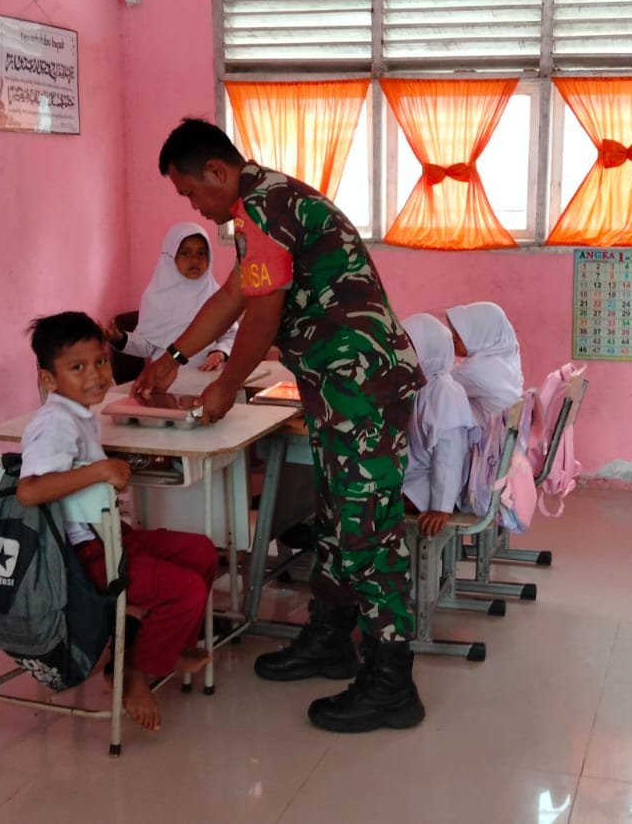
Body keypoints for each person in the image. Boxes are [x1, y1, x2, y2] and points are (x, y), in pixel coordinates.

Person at [135, 118, 426, 733]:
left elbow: (264, 314)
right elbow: (233, 297)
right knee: (336, 518)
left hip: (360, 388)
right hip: (338, 387)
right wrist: (173, 358)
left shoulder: (266, 207)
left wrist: (225, 385)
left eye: (191, 192)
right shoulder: (261, 206)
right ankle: (330, 638)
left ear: (217, 172)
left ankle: (392, 680)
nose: (194, 208)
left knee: (368, 530)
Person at [16, 312, 216, 731]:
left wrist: (108, 464)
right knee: (186, 591)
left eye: (100, 362)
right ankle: (134, 673)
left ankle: (167, 646)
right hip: (82, 555)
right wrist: (100, 471)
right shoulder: (53, 423)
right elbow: (30, 491)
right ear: (48, 379)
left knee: (201, 551)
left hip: (110, 535)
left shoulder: (79, 412)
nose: (95, 375)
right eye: (77, 367)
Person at [106, 221, 236, 372]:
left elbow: (231, 334)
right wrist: (120, 339)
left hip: (206, 375)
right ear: (171, 256)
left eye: (201, 253)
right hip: (166, 378)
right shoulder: (155, 297)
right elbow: (146, 347)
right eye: (185, 253)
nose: (195, 259)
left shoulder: (217, 295)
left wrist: (219, 352)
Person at [400, 313, 477, 537]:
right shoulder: (423, 385)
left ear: (429, 350)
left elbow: (449, 455)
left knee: (370, 504)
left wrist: (440, 507)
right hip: (419, 477)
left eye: (408, 346)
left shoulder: (444, 392)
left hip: (431, 488)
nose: (399, 353)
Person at [444, 301, 524, 428]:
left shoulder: (476, 371)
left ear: (481, 334)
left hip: (487, 438)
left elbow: (433, 387)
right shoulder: (505, 360)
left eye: (460, 334)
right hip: (505, 434)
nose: (453, 339)